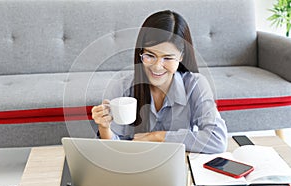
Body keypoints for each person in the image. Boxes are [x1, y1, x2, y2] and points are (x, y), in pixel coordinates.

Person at [91, 10, 227, 153]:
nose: (156, 67)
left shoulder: (195, 85)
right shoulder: (122, 86)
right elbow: (114, 149)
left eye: (167, 58)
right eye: (150, 55)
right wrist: (104, 128)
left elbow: (217, 140)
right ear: (141, 52)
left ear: (181, 56)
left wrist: (158, 136)